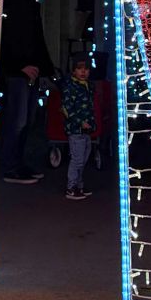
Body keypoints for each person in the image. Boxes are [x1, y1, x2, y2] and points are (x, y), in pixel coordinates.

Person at [0, 0, 54, 183]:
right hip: (20, 70)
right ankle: (11, 166)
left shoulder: (24, 1)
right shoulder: (18, 2)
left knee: (24, 119)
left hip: (26, 69)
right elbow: (14, 38)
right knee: (18, 120)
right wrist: (21, 65)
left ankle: (18, 163)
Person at [58, 51, 96, 200]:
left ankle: (79, 185)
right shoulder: (71, 87)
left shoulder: (88, 86)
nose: (83, 72)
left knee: (84, 157)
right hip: (75, 130)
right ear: (74, 70)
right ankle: (71, 186)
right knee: (77, 159)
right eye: (80, 69)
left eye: (86, 69)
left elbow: (90, 107)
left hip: (86, 130)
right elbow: (67, 108)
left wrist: (91, 123)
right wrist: (80, 122)